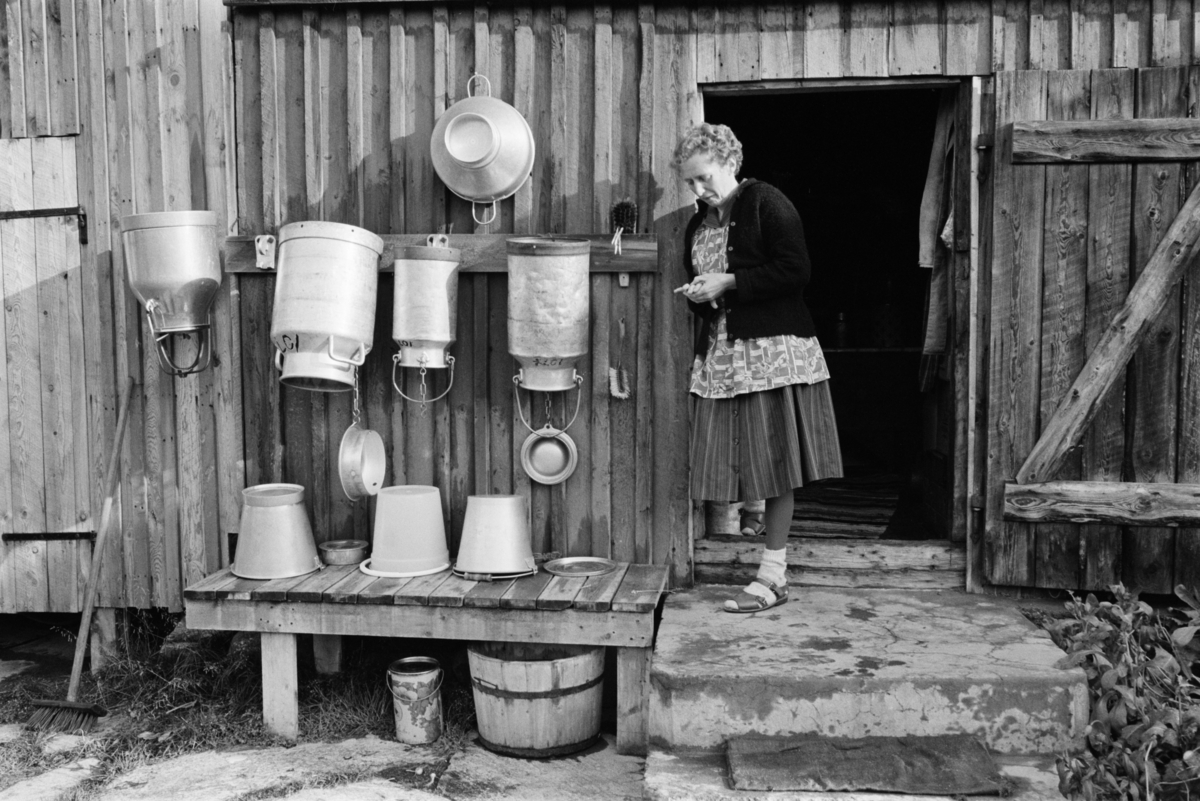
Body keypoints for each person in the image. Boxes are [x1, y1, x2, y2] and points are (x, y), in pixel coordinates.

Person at [672, 122, 843, 613]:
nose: (698, 191)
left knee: (774, 465)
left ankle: (773, 575)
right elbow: (711, 293)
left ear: (729, 162)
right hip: (723, 357)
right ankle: (755, 549)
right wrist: (701, 295)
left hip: (771, 354)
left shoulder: (767, 202)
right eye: (690, 183)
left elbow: (796, 270)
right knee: (733, 460)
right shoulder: (697, 226)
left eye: (704, 178)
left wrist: (728, 283)